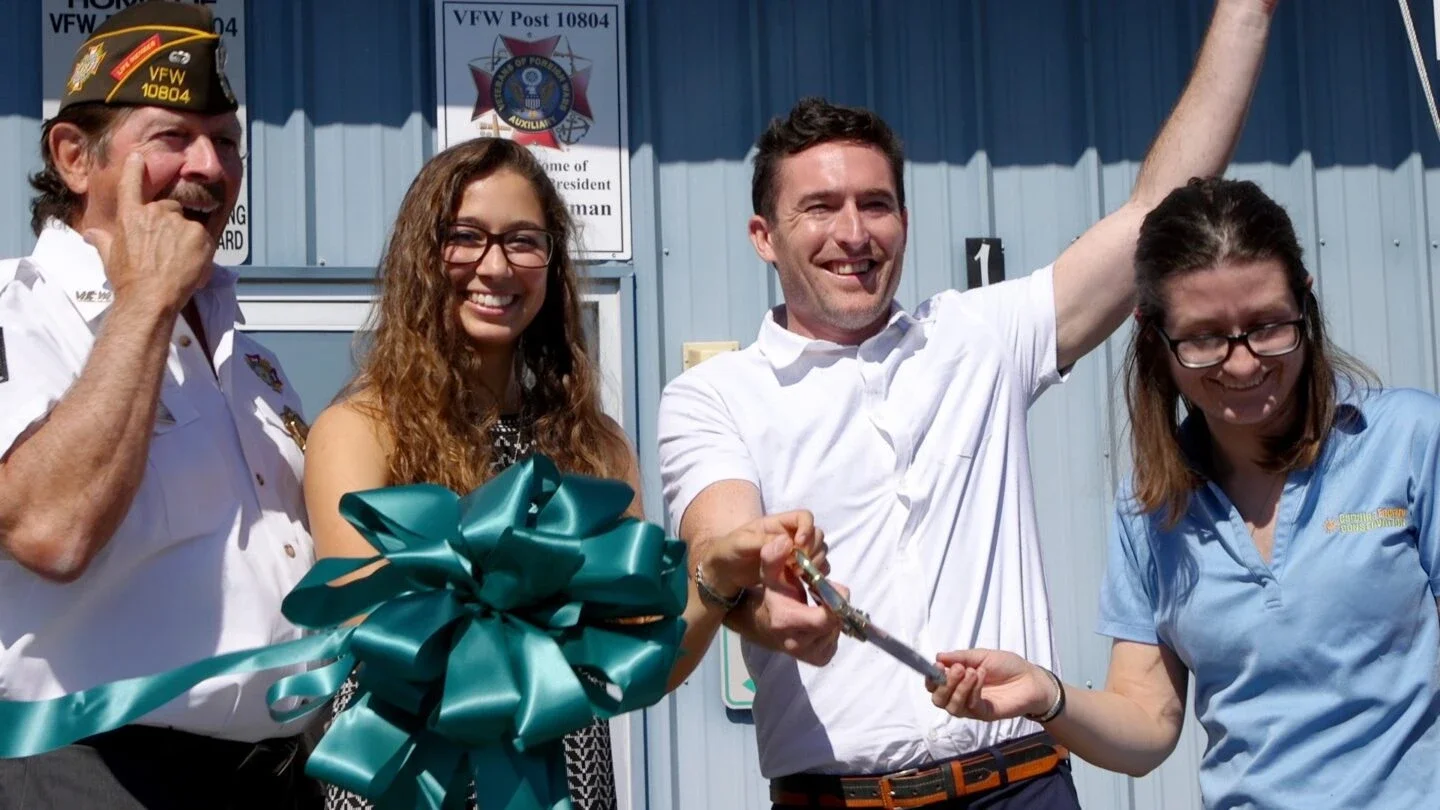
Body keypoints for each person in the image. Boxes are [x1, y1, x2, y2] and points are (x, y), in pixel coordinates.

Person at [656, 1, 1279, 807]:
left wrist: (1247, 12)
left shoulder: (978, 337)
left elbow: (1158, 213)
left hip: (1020, 786)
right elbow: (721, 538)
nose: (854, 233)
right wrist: (755, 592)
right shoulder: (715, 395)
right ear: (763, 236)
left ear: (904, 220)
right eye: (819, 208)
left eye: (875, 204)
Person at [303, 136, 826, 810]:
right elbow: (386, 638)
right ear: (422, 255)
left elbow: (645, 660)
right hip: (410, 787)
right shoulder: (359, 430)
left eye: (524, 241)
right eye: (466, 237)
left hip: (568, 791)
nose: (496, 266)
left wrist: (718, 575)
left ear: (551, 264)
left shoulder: (594, 445)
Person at [927, 177, 1440, 809]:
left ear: (1305, 304)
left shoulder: (1411, 441)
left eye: (1268, 326)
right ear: (1154, 337)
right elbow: (1148, 720)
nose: (1243, 362)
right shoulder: (1151, 507)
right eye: (1205, 338)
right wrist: (1045, 694)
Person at [0, 2, 321, 808]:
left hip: (279, 775)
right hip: (89, 774)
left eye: (227, 141)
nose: (208, 167)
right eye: (172, 137)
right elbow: (50, 531)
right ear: (75, 158)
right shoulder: (18, 316)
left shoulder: (252, 357)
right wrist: (145, 299)